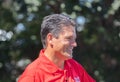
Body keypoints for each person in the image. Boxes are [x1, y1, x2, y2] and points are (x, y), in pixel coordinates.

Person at [18, 14, 96, 82]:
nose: (74, 44)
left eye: (74, 39)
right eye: (68, 38)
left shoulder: (75, 67)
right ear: (50, 39)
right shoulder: (33, 75)